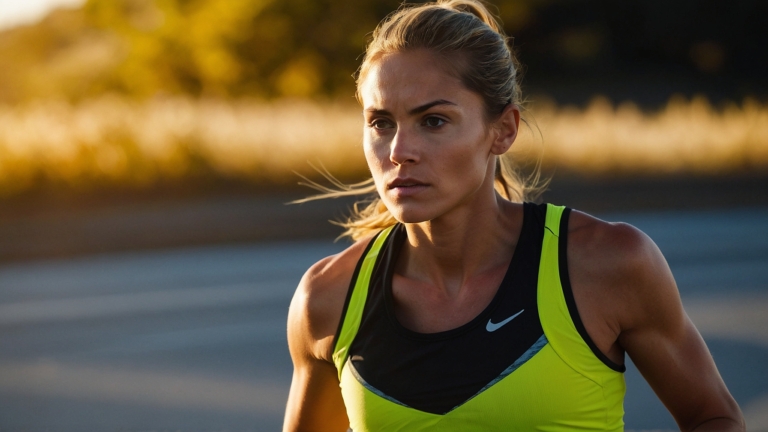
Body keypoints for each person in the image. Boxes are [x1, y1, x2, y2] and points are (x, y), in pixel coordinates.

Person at [283, 0, 745, 430]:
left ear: (503, 130)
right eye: (381, 123)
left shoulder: (607, 264)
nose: (400, 151)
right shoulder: (326, 300)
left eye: (434, 121)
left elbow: (713, 418)